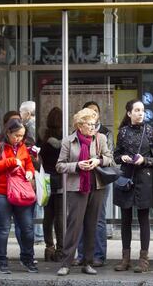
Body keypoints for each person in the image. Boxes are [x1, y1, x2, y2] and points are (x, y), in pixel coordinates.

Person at [55, 108, 113, 276]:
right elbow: (60, 165)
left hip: (96, 186)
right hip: (77, 187)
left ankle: (87, 262)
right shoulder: (68, 141)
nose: (93, 127)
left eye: (94, 124)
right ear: (80, 125)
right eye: (89, 124)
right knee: (74, 225)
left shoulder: (100, 138)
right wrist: (77, 166)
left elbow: (110, 159)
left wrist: (98, 161)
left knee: (91, 225)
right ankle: (66, 263)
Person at [112, 99, 153, 273]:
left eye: (143, 110)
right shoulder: (123, 132)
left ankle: (143, 260)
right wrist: (122, 158)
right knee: (125, 219)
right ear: (129, 113)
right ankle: (125, 259)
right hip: (126, 177)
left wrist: (145, 160)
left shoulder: (150, 131)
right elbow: (116, 155)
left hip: (144, 178)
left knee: (143, 219)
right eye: (137, 110)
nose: (141, 113)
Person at [0, 118, 38, 274]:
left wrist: (30, 172)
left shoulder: (22, 147)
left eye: (22, 136)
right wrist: (11, 162)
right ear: (8, 132)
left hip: (21, 191)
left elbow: (28, 162)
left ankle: (27, 258)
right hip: (0, 192)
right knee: (3, 228)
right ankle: (2, 261)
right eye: (16, 135)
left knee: (27, 228)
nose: (19, 139)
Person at [74, 101, 114, 267]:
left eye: (95, 111)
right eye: (89, 111)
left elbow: (110, 157)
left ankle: (98, 255)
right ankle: (82, 254)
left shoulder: (105, 134)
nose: (92, 114)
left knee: (98, 218)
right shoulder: (75, 135)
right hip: (81, 180)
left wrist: (97, 160)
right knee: (80, 218)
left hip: (99, 179)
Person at [39, 107, 63, 262]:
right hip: (61, 179)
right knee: (60, 217)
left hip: (45, 179)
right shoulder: (65, 138)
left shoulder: (42, 137)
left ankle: (49, 248)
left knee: (48, 216)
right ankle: (61, 249)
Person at [20, 101, 43, 244]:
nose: (20, 115)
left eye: (21, 112)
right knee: (39, 200)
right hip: (39, 168)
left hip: (32, 168)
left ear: (27, 114)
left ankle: (37, 234)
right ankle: (39, 233)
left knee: (34, 200)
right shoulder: (40, 126)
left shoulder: (28, 127)